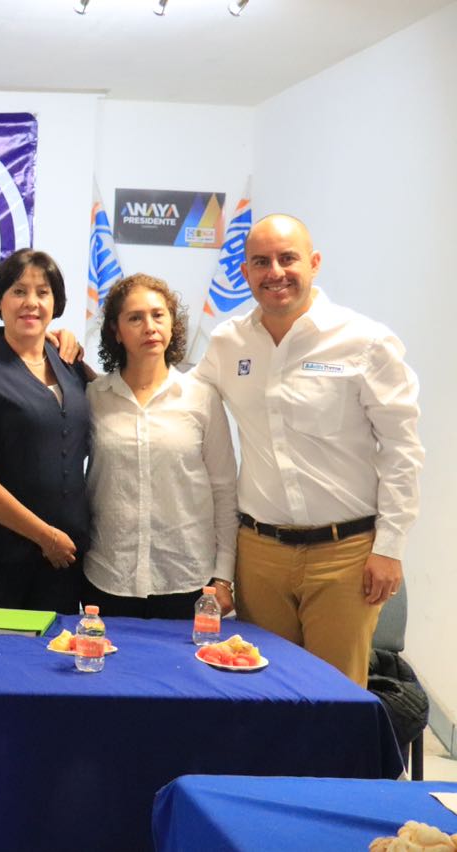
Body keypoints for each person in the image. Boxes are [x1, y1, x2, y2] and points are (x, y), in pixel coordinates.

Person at [196, 214, 423, 686]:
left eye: (288, 258)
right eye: (261, 262)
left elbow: (401, 448)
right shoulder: (227, 343)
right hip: (259, 555)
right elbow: (177, 398)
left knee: (335, 696)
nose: (275, 272)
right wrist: (76, 365)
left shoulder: (365, 341)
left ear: (314, 263)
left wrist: (390, 547)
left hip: (345, 557)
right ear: (246, 272)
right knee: (262, 690)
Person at [81, 274, 237, 619]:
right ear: (116, 331)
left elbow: (224, 490)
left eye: (158, 315)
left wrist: (224, 576)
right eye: (135, 318)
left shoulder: (201, 397)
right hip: (109, 576)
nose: (149, 327)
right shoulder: (94, 397)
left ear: (172, 324)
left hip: (188, 578)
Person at [0, 250, 91, 614]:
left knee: (56, 650)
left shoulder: (71, 366)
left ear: (56, 302)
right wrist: (45, 536)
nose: (31, 302)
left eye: (43, 292)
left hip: (63, 560)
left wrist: (57, 541)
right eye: (19, 291)